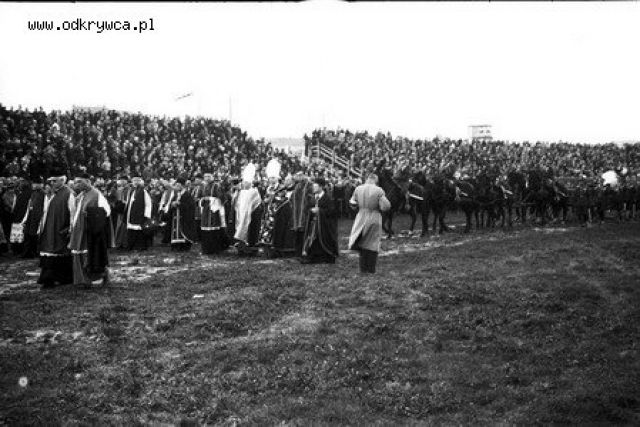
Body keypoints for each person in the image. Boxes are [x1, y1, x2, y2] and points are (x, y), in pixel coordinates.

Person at [68, 173, 111, 287]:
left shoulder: (96, 194)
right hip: (78, 229)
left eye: (80, 181)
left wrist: (92, 214)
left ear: (88, 181)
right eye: (76, 182)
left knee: (91, 254)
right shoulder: (81, 195)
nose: (77, 184)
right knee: (78, 252)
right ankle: (81, 279)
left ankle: (95, 278)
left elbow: (106, 211)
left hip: (90, 231)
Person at [37, 169, 75, 289]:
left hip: (61, 229)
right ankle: (52, 279)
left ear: (62, 180)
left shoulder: (69, 193)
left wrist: (71, 229)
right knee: (50, 251)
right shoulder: (54, 193)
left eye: (54, 181)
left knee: (59, 252)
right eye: (51, 181)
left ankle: (59, 278)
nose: (52, 183)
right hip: (50, 228)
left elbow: (73, 213)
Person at [348, 173, 391, 273]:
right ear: (376, 180)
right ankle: (371, 269)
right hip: (374, 216)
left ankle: (363, 268)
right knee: (372, 243)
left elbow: (352, 203)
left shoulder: (358, 189)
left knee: (362, 242)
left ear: (367, 179)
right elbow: (386, 206)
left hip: (361, 216)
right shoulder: (379, 190)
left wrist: (359, 207)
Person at [301, 176, 339, 264]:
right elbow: (306, 208)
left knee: (320, 239)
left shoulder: (327, 198)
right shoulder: (312, 198)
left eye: (315, 186)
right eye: (313, 186)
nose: (313, 188)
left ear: (321, 187)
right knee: (311, 238)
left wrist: (320, 211)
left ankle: (323, 256)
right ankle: (312, 256)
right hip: (312, 224)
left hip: (324, 225)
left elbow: (332, 212)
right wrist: (310, 210)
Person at [233, 163, 262, 251]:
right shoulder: (241, 191)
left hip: (251, 214)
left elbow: (254, 203)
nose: (244, 184)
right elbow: (236, 202)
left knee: (251, 230)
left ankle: (250, 245)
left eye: (246, 182)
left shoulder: (254, 191)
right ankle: (241, 244)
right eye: (244, 182)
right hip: (241, 214)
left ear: (250, 183)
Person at [200, 173, 230, 254]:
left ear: (212, 177)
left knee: (214, 228)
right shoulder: (204, 186)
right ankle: (206, 249)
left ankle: (214, 249)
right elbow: (201, 197)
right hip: (206, 209)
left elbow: (222, 198)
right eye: (205, 176)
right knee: (205, 228)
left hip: (214, 210)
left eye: (208, 176)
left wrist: (211, 199)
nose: (207, 178)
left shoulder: (216, 186)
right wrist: (202, 200)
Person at [125, 176, 152, 250]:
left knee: (139, 230)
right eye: (134, 181)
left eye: (137, 181)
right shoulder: (131, 191)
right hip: (131, 214)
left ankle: (140, 246)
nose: (135, 182)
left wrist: (147, 214)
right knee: (132, 230)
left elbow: (148, 203)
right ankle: (131, 246)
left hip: (140, 214)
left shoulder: (143, 191)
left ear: (140, 182)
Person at [169, 177, 197, 251]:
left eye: (178, 185)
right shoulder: (176, 194)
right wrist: (172, 204)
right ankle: (176, 246)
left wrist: (180, 204)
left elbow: (190, 206)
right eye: (176, 185)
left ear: (182, 186)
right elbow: (171, 203)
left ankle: (184, 246)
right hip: (176, 216)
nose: (177, 187)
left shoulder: (187, 194)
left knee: (184, 230)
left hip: (184, 217)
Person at [289, 172, 313, 257]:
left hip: (304, 213)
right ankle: (297, 251)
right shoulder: (297, 186)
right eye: (297, 176)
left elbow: (311, 198)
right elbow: (292, 197)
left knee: (304, 233)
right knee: (297, 233)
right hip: (296, 213)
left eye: (300, 176)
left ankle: (304, 250)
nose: (298, 177)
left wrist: (308, 207)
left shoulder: (309, 185)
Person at [21, 176, 46, 258]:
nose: (32, 185)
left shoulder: (43, 194)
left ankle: (34, 252)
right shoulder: (33, 193)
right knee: (28, 234)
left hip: (37, 217)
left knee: (34, 235)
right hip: (31, 216)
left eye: (34, 184)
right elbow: (30, 205)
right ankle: (28, 252)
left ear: (40, 184)